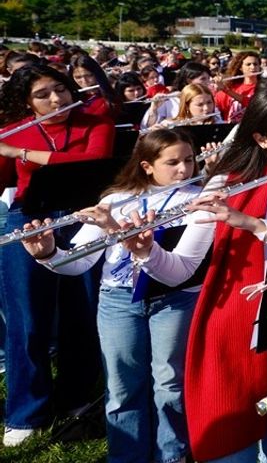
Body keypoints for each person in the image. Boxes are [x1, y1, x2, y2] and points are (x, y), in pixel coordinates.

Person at [131, 81, 267, 462]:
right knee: (231, 447)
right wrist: (148, 252)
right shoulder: (224, 185)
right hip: (233, 324)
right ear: (261, 139)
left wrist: (254, 224)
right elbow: (181, 269)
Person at [22, 129, 204, 463]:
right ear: (147, 166)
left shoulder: (198, 199)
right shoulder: (116, 200)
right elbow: (80, 261)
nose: (183, 169)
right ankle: (126, 456)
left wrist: (117, 232)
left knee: (170, 383)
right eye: (173, 162)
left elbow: (186, 266)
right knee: (122, 386)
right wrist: (48, 253)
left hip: (176, 298)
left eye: (189, 160)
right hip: (119, 299)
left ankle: (172, 455)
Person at [0, 64, 115, 447]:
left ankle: (76, 396)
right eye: (43, 95)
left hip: (82, 216)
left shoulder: (95, 120)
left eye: (61, 90)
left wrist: (19, 151)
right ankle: (25, 411)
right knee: (27, 317)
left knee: (80, 312)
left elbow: (94, 159)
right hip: (29, 218)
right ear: (26, 102)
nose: (56, 100)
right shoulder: (13, 129)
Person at [213, 51, 262, 123]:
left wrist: (225, 90)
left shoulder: (264, 87)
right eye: (248, 64)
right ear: (240, 68)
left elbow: (252, 104)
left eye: (255, 64)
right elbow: (214, 108)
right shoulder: (232, 87)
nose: (253, 67)